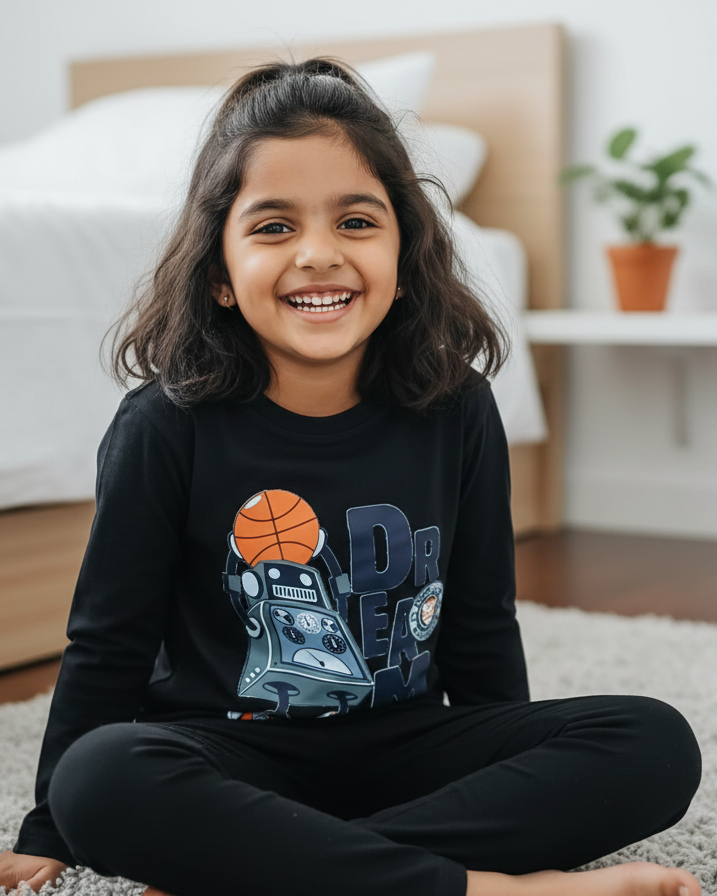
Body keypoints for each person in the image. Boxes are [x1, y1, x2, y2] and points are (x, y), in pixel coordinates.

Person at [0, 59, 702, 896]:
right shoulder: (165, 425)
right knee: (99, 779)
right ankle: (482, 890)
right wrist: (50, 823)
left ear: (404, 256)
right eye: (271, 228)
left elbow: (479, 624)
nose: (317, 255)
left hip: (408, 752)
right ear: (219, 274)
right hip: (230, 750)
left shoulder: (459, 409)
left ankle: (272, 871)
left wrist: (502, 745)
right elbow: (108, 642)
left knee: (653, 740)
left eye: (357, 222)